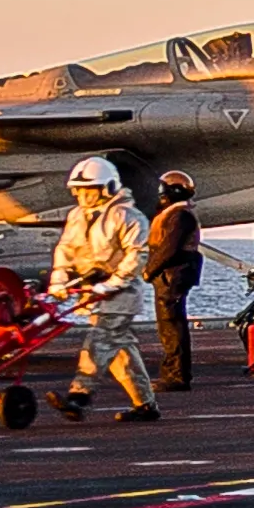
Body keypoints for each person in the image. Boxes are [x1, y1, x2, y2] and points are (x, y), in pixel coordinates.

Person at [46, 161, 158, 423]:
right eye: (80, 191)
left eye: (90, 190)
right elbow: (65, 249)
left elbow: (137, 254)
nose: (84, 196)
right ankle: (145, 404)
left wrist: (114, 281)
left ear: (107, 188)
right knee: (121, 352)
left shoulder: (127, 216)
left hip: (122, 294)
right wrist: (59, 279)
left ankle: (79, 396)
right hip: (93, 291)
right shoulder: (77, 216)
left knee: (100, 340)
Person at [143, 171, 203, 390]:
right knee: (169, 324)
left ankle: (176, 376)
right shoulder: (177, 214)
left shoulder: (179, 216)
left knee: (171, 326)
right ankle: (173, 373)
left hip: (173, 275)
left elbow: (169, 248)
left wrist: (149, 270)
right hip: (172, 274)